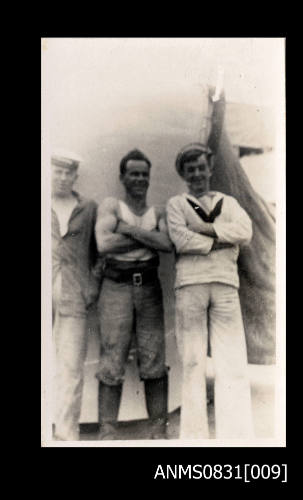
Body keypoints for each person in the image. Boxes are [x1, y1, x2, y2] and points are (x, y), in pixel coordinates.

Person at [166, 143, 254, 440]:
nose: (197, 174)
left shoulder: (228, 202)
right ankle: (194, 438)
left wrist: (209, 230)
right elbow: (180, 239)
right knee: (192, 362)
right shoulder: (177, 204)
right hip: (190, 285)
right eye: (190, 170)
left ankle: (236, 435)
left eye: (201, 167)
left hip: (226, 285)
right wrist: (220, 241)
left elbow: (245, 231)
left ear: (210, 168)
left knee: (232, 360)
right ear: (183, 174)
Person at [95, 149, 172, 440]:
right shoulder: (111, 206)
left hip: (150, 288)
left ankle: (157, 430)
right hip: (116, 286)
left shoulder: (159, 211)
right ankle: (107, 433)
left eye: (144, 174)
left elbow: (165, 243)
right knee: (112, 356)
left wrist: (126, 230)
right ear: (122, 177)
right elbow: (104, 244)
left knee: (154, 356)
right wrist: (144, 235)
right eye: (133, 173)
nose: (139, 179)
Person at [51, 150, 99, 441]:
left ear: (75, 176)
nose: (62, 177)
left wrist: (92, 282)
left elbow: (101, 251)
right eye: (57, 171)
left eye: (68, 173)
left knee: (71, 365)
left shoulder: (88, 208)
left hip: (74, 293)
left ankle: (67, 434)